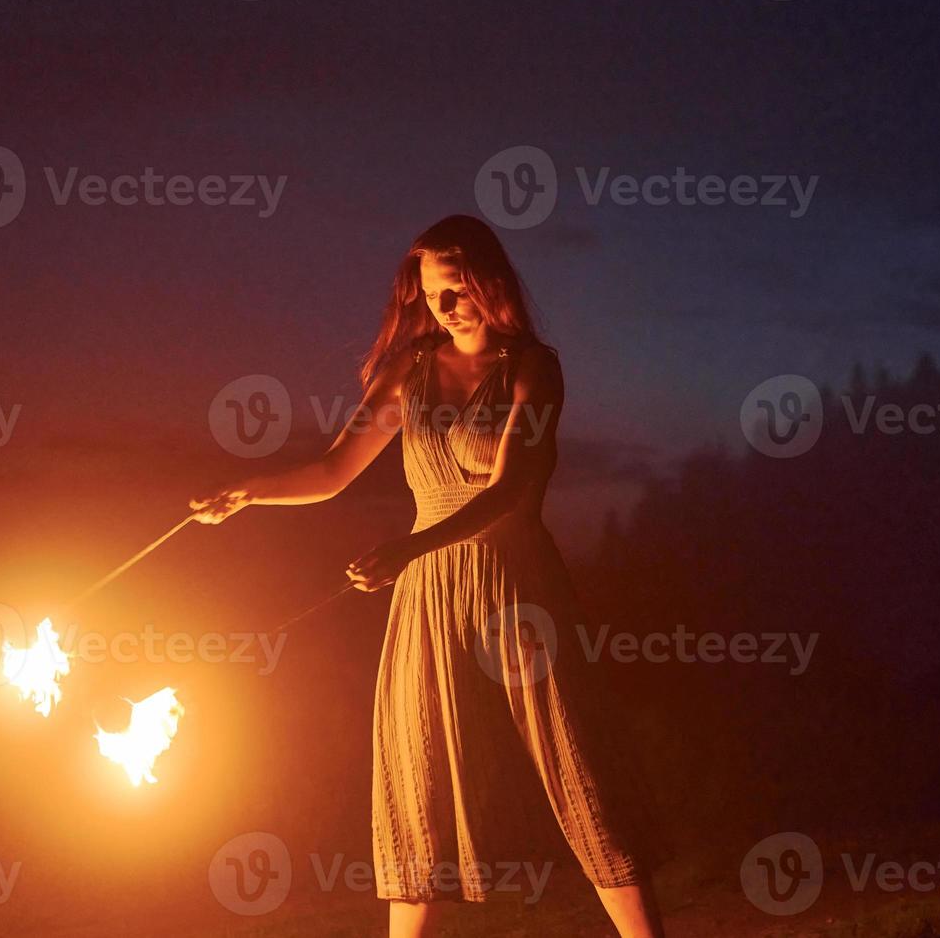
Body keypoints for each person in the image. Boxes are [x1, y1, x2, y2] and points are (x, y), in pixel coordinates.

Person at [190, 214, 667, 937]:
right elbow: (333, 470)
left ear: (490, 280)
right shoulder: (410, 372)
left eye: (458, 287)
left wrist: (410, 550)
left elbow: (513, 491)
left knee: (575, 758)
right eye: (432, 293)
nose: (446, 306)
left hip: (514, 586)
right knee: (418, 772)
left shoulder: (532, 367)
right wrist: (249, 490)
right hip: (426, 593)